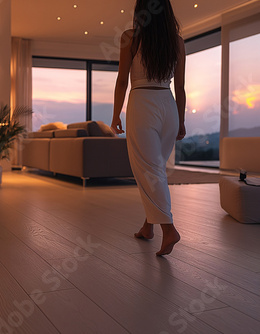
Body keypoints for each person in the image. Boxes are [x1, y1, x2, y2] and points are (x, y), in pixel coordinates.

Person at [111, 0, 186, 256]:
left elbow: (122, 80)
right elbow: (181, 88)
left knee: (150, 171)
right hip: (169, 105)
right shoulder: (176, 42)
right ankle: (148, 227)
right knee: (155, 170)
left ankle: (169, 230)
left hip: (143, 103)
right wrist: (182, 120)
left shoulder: (130, 37)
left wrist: (115, 115)